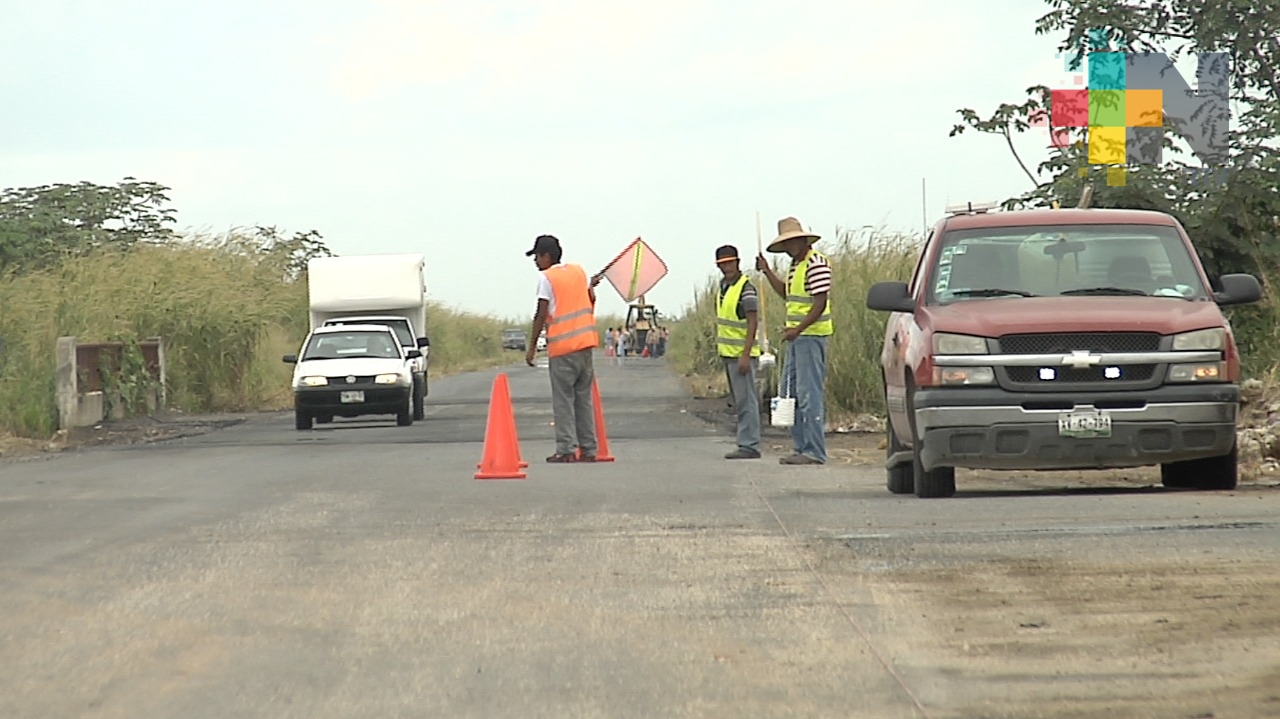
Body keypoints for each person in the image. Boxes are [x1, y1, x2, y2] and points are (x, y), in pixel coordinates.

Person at [755, 216, 833, 465]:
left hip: (811, 337)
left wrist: (798, 329)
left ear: (801, 241)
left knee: (809, 394)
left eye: (790, 244)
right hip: (798, 338)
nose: (788, 249)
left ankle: (814, 451)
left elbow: (820, 303)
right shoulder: (796, 267)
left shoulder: (816, 264)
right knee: (792, 393)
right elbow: (787, 294)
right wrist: (767, 271)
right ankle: (801, 447)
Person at [525, 234, 602, 462]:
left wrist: (531, 348)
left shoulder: (547, 278)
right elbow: (589, 299)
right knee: (583, 400)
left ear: (546, 256)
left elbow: (541, 314)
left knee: (563, 401)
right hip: (585, 346)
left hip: (563, 347)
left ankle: (567, 449)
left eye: (537, 256)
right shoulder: (579, 272)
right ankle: (589, 449)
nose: (536, 262)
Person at [714, 244, 762, 459]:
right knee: (739, 400)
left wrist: (745, 354)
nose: (726, 267)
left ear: (738, 262)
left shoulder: (746, 288)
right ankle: (746, 442)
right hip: (728, 353)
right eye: (722, 264)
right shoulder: (723, 287)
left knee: (746, 401)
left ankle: (749, 444)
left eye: (729, 263)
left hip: (742, 355)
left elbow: (753, 322)